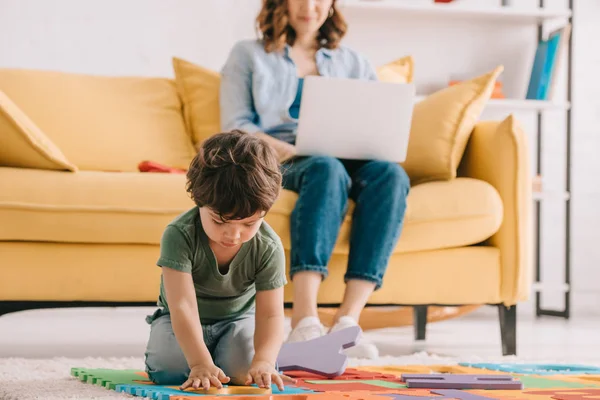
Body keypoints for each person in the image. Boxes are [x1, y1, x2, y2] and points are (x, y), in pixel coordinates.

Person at [219, 0, 410, 359]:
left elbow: (377, 118)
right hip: (286, 156)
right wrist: (293, 150)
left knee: (391, 176)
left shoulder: (353, 61)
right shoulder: (247, 55)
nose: (311, 7)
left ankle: (347, 322)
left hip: (350, 154)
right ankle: (304, 321)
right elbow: (236, 125)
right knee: (325, 167)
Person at [143, 131, 294, 390]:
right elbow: (182, 306)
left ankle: (220, 358)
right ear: (199, 202)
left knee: (248, 372)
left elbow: (270, 315)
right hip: (178, 318)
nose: (234, 235)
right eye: (220, 221)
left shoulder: (268, 246)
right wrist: (200, 363)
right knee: (168, 369)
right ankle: (206, 359)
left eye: (249, 223)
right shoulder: (179, 234)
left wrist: (265, 360)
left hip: (237, 320)